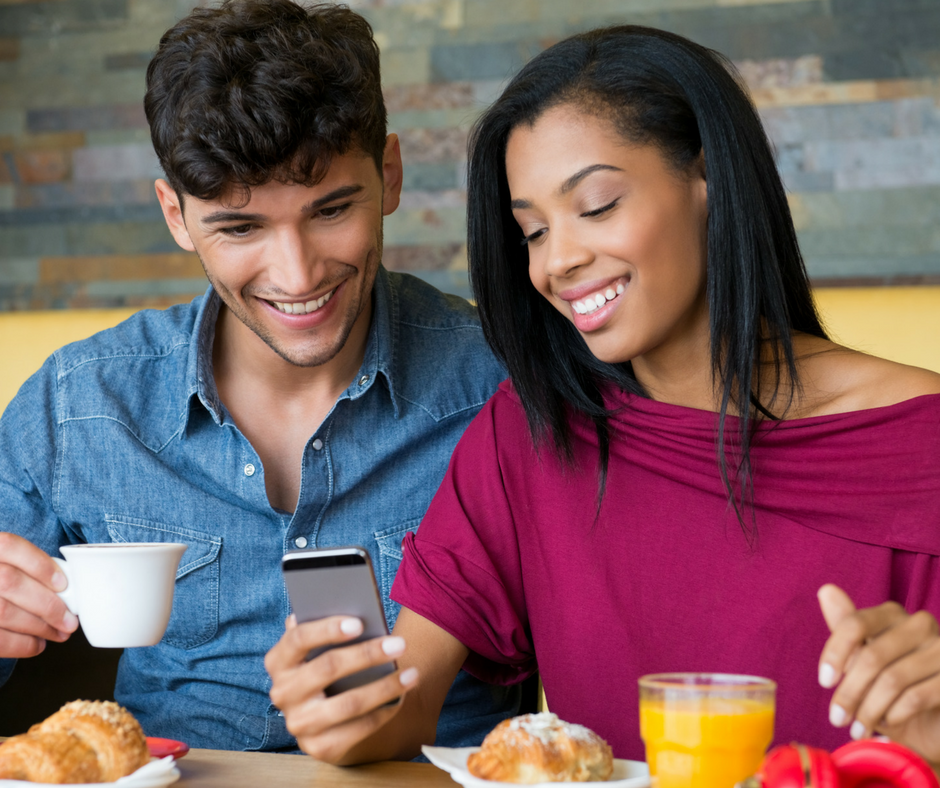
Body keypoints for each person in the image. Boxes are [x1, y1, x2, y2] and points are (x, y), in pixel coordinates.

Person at [265, 24, 940, 769]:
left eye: (595, 206)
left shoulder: (921, 438)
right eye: (532, 231)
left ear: (706, 177)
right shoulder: (529, 436)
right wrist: (345, 709)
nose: (560, 260)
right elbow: (406, 702)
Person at [0, 0, 522, 751]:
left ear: (391, 175)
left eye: (331, 209)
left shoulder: (502, 385)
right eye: (241, 227)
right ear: (176, 216)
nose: (298, 273)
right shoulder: (83, 402)